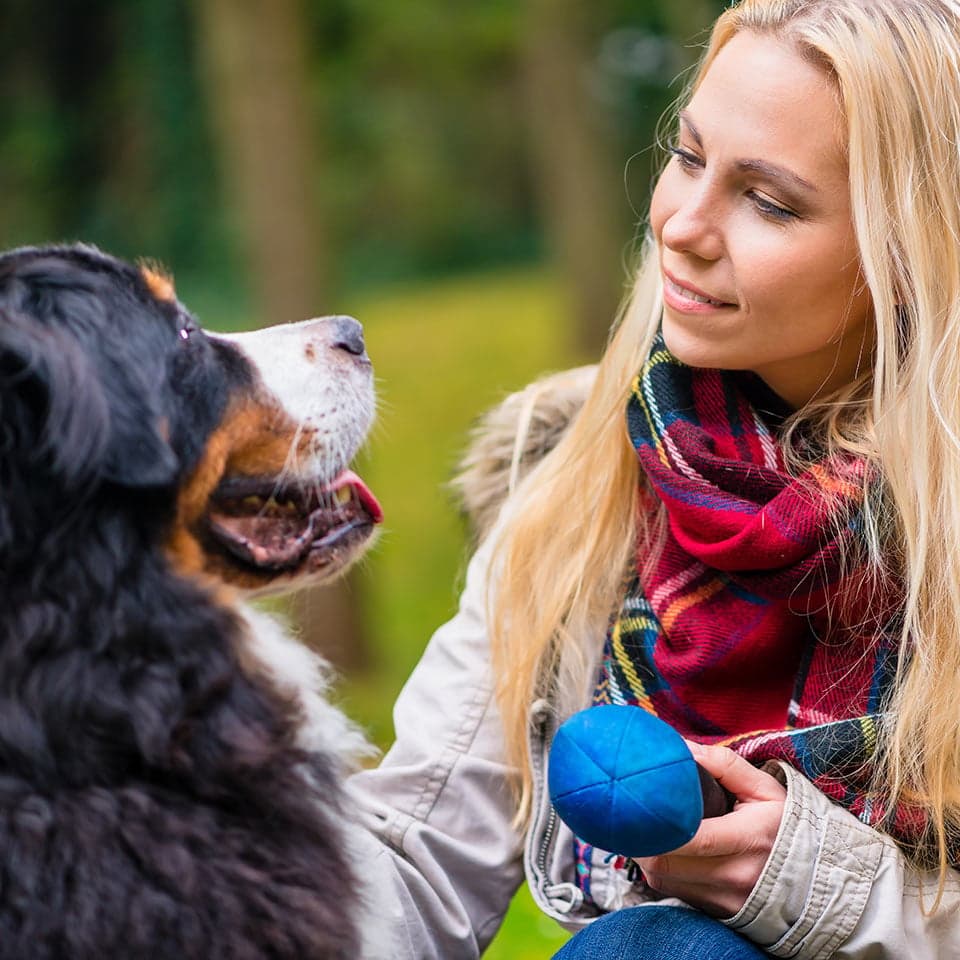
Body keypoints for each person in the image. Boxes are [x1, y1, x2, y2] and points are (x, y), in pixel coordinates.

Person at [345, 1, 960, 956]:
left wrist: (818, 888)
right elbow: (419, 856)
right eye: (686, 157)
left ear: (915, 254)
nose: (682, 225)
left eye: (769, 200)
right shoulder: (584, 481)